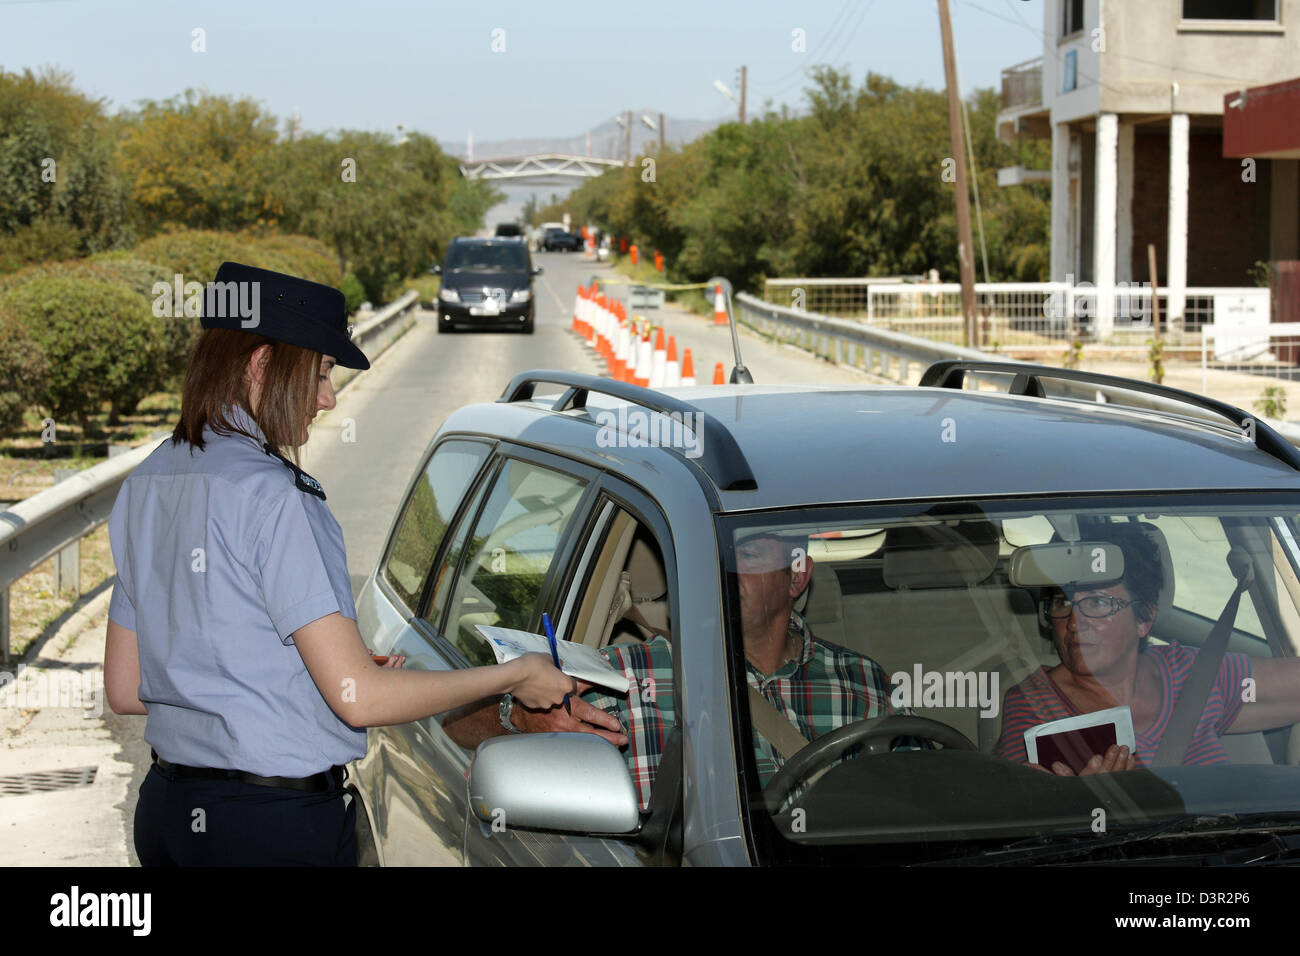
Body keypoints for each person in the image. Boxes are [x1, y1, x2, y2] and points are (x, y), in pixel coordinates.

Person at [104, 262, 573, 867]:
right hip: (271, 830)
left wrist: (303, 673)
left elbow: (126, 685)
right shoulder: (277, 497)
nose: (328, 399)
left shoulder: (147, 483)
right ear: (262, 364)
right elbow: (360, 701)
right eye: (321, 372)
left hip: (168, 815)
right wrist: (516, 676)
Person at [446, 529, 907, 809]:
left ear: (797, 575)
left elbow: (908, 804)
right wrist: (523, 718)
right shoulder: (628, 674)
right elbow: (458, 724)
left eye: (745, 556)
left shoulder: (862, 682)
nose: (721, 572)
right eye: (712, 557)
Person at [994, 522, 1300, 776]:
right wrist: (1082, 813)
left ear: (1144, 618)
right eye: (1063, 602)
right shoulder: (1034, 706)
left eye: (1097, 602)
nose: (1074, 623)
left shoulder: (1188, 674)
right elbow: (1027, 828)